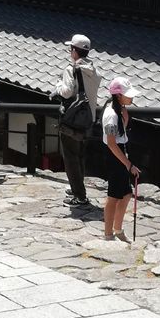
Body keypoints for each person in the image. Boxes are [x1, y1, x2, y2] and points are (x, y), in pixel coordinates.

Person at [56, 33, 101, 207]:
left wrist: (58, 85)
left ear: (75, 51)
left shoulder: (71, 69)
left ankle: (79, 196)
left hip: (73, 119)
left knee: (70, 157)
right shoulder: (94, 70)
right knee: (80, 155)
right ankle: (78, 188)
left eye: (71, 49)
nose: (70, 52)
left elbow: (67, 92)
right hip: (88, 117)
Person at [102, 77, 141, 241]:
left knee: (126, 194)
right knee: (113, 197)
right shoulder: (111, 115)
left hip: (121, 152)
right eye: (127, 95)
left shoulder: (121, 110)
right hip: (115, 156)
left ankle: (117, 229)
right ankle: (108, 234)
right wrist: (128, 164)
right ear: (118, 96)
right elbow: (111, 143)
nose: (131, 97)